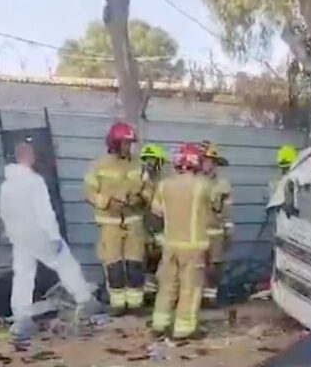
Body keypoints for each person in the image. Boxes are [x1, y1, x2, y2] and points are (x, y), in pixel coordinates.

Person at [0, 141, 96, 340]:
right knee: (65, 263)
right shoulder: (34, 181)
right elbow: (45, 212)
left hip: (19, 235)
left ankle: (21, 316)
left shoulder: (7, 185)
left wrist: (11, 233)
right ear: (26, 156)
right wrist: (54, 236)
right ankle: (85, 300)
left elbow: (5, 212)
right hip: (39, 233)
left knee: (23, 274)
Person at [151, 143, 216, 339]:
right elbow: (216, 207)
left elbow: (157, 211)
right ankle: (184, 328)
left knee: (167, 285)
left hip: (170, 245)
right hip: (194, 246)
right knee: (190, 288)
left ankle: (159, 324)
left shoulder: (163, 185)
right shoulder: (203, 185)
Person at [83, 122, 146, 316]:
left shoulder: (138, 164)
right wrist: (107, 203)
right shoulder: (98, 166)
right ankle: (118, 305)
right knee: (114, 266)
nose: (128, 147)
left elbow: (148, 188)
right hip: (110, 224)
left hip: (133, 222)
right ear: (114, 143)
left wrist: (139, 198)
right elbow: (89, 192)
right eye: (124, 143)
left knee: (135, 265)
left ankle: (135, 304)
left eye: (130, 143)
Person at [200, 141, 233, 303]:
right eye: (206, 160)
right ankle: (195, 298)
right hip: (197, 232)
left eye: (212, 162)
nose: (210, 165)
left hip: (216, 232)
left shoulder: (223, 185)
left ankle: (210, 297)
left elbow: (227, 209)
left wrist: (228, 229)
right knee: (197, 267)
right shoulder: (193, 182)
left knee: (215, 268)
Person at [139, 143, 168, 297]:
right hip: (143, 225)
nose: (150, 163)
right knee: (144, 259)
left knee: (161, 258)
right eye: (147, 160)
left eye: (153, 160)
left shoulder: (165, 181)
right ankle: (148, 293)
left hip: (162, 226)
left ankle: (160, 291)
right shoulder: (140, 179)